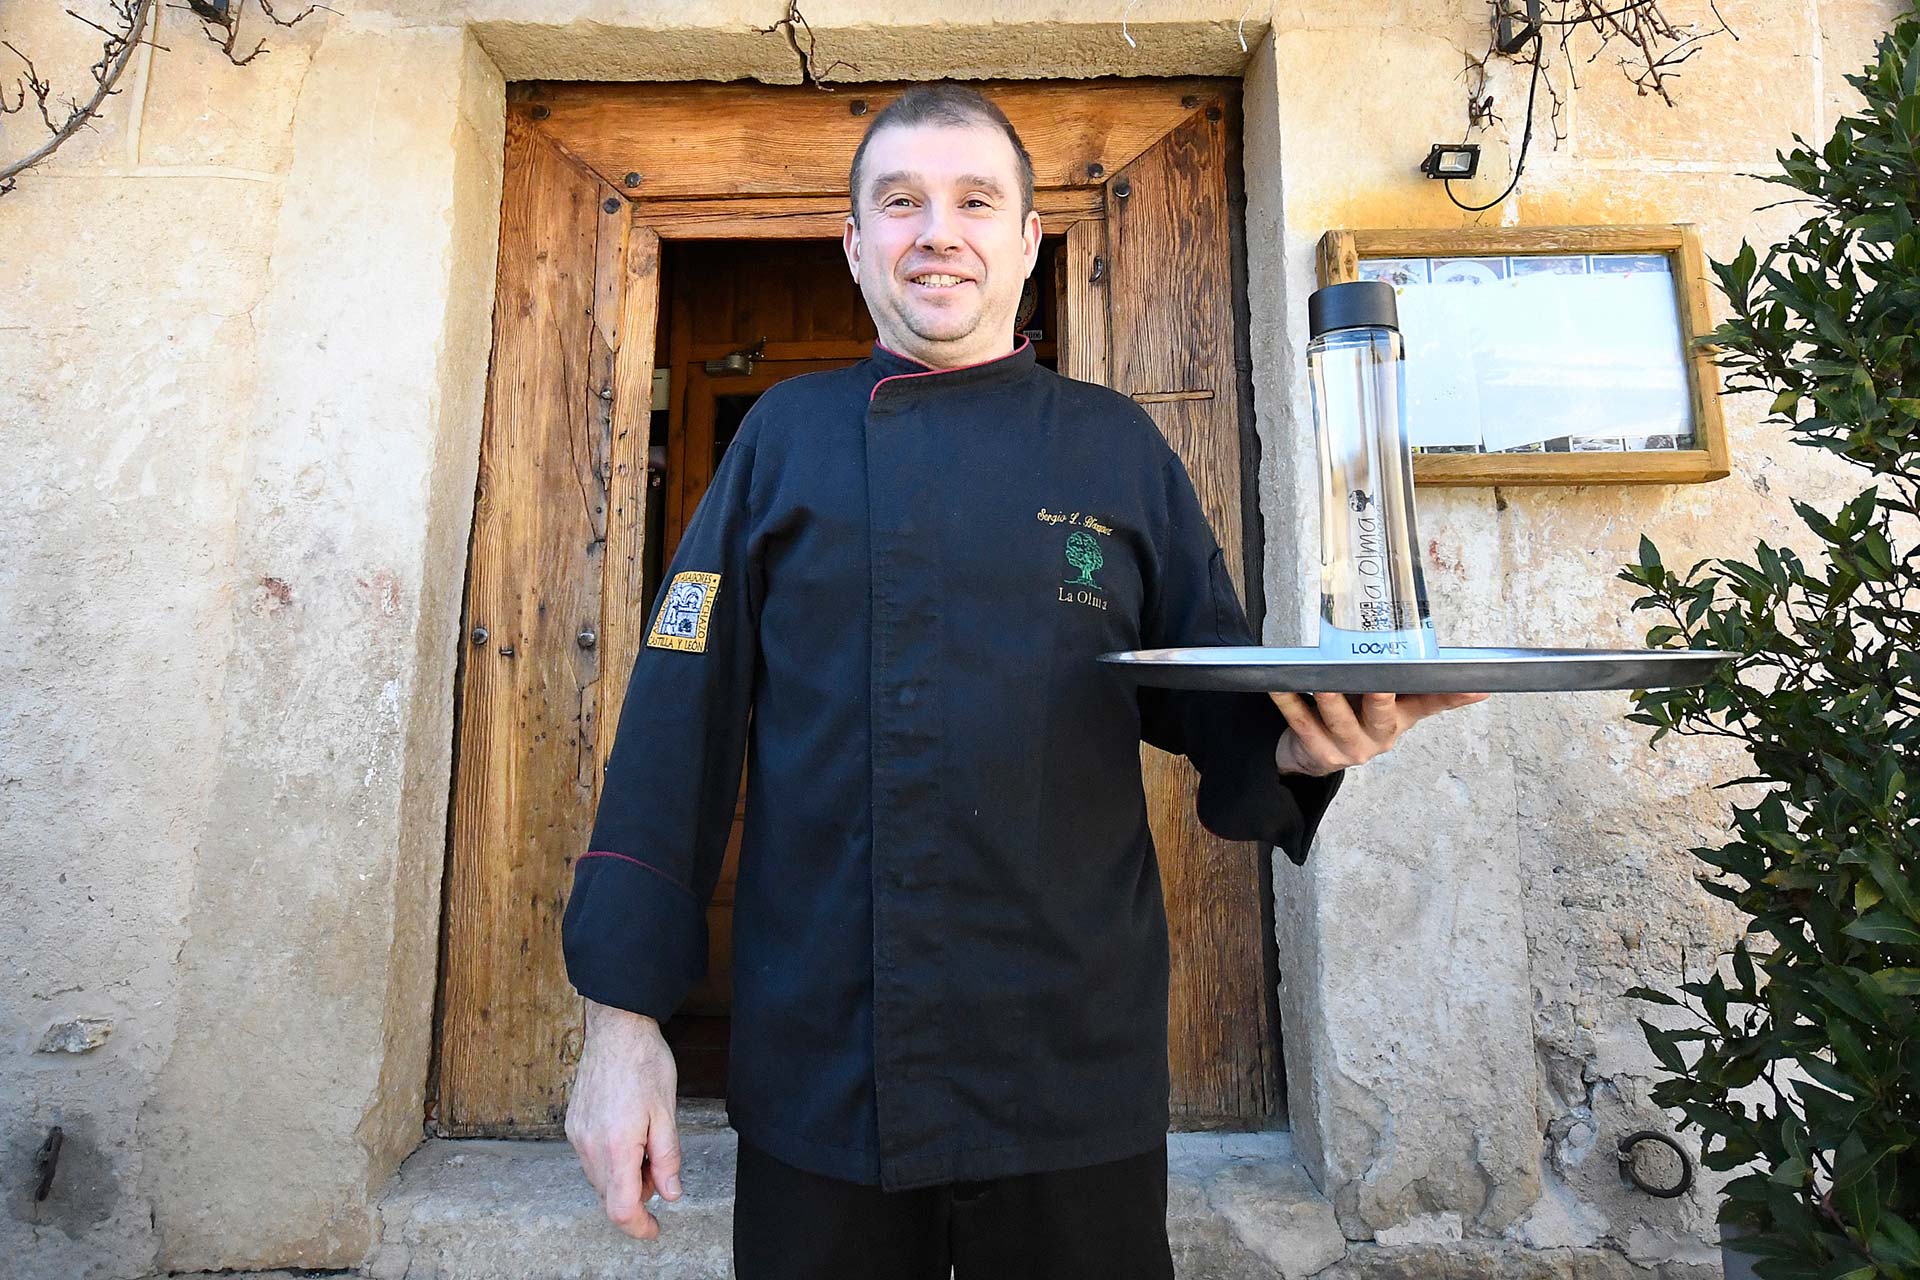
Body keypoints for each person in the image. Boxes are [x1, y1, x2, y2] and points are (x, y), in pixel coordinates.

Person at [560, 84, 1487, 1279]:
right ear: (854, 244)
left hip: (1070, 1067)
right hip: (827, 1070)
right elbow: (671, 737)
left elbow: (1224, 712)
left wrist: (1309, 745)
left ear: (1028, 239)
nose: (936, 231)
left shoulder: (1116, 449)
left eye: (974, 201)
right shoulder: (778, 441)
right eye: (900, 203)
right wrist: (623, 1021)